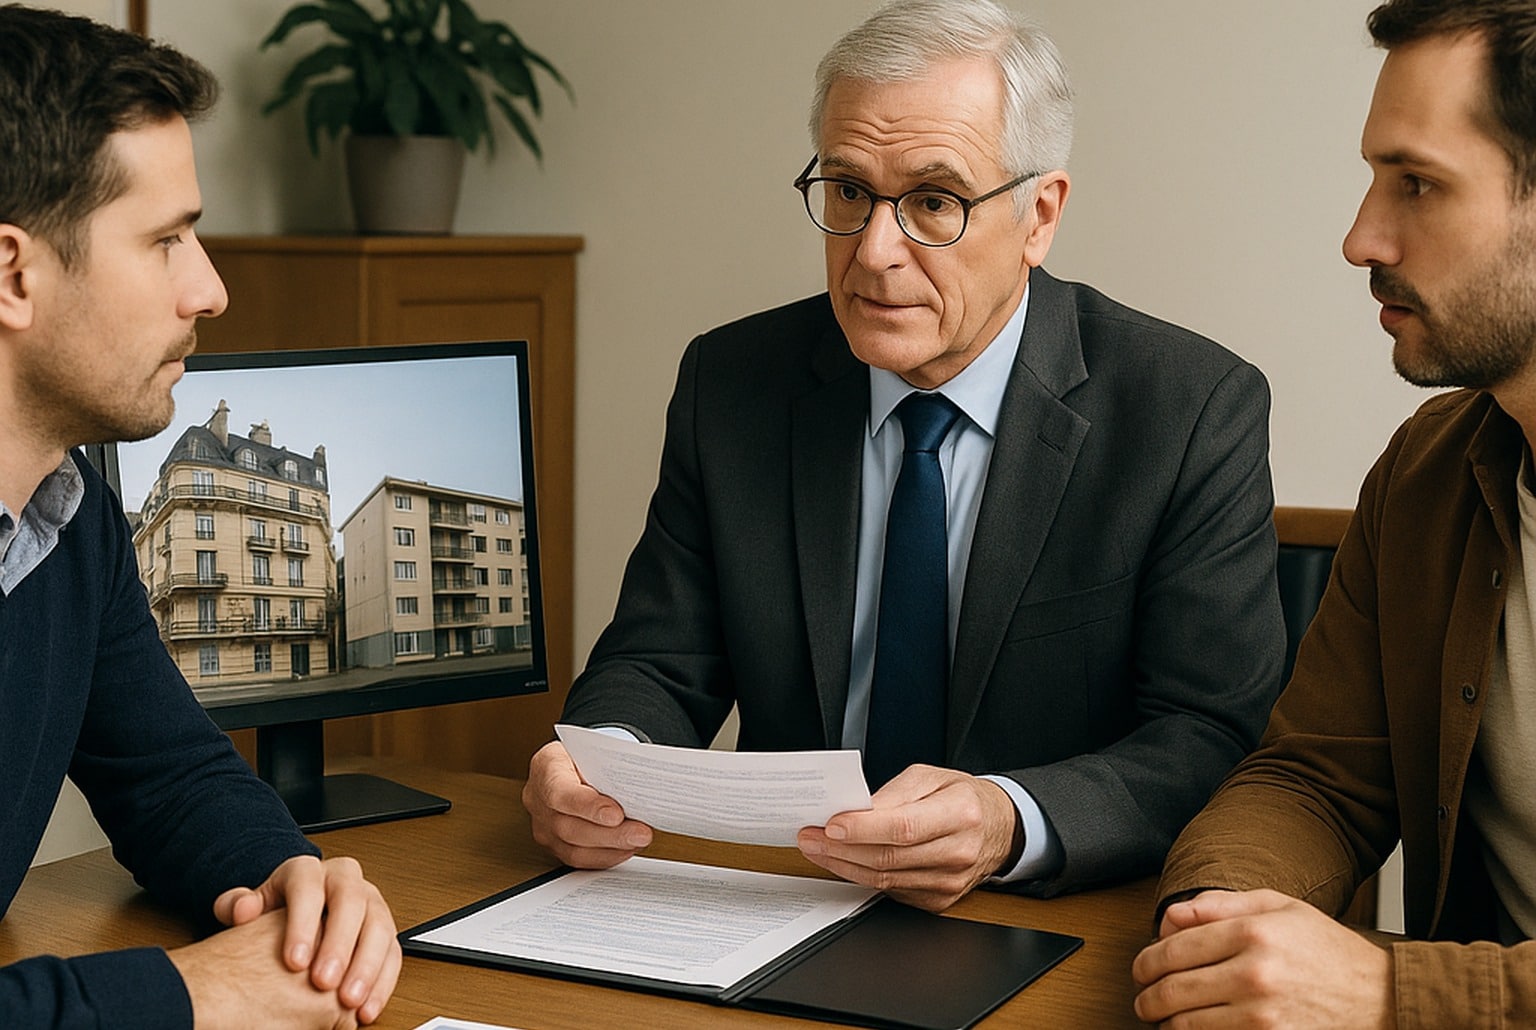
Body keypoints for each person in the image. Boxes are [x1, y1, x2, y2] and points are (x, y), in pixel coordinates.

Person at [525, 0, 1284, 912]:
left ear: (1039, 216)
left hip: (1046, 916)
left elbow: (1210, 735)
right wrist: (598, 759)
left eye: (934, 202)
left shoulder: (1187, 407)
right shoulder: (734, 383)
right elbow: (657, 660)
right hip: (785, 901)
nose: (875, 252)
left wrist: (1012, 817)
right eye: (847, 192)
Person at [1134, 1, 1536, 1025]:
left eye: (1418, 184)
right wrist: (1223, 914)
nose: (1362, 237)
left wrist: (1395, 988)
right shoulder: (1430, 472)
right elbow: (1314, 778)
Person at [0, 6, 399, 1027]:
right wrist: (196, 990)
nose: (210, 289)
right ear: (12, 273)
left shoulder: (69, 505)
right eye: (166, 240)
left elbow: (169, 775)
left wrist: (291, 883)